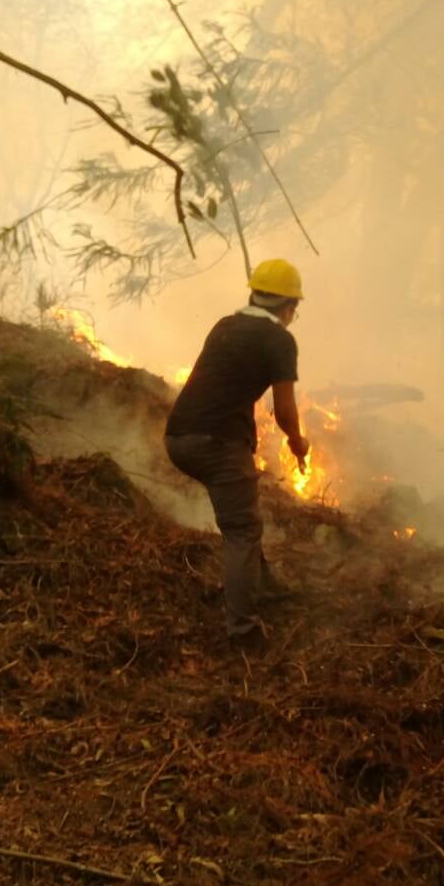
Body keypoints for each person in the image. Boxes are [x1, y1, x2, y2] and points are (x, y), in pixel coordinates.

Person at [165, 258, 310, 638]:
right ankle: (243, 629)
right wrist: (298, 444)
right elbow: (284, 410)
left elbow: (224, 382)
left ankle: (263, 585)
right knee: (242, 529)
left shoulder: (226, 326)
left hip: (178, 437)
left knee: (243, 516)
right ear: (288, 306)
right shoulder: (280, 339)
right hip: (217, 443)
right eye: (295, 307)